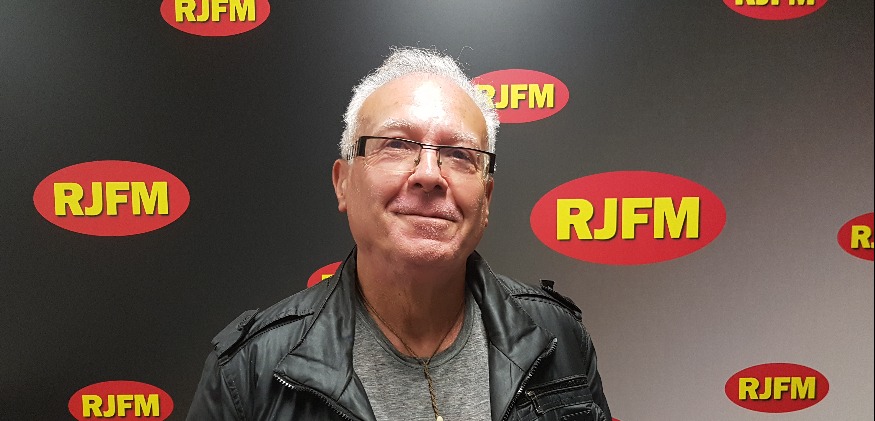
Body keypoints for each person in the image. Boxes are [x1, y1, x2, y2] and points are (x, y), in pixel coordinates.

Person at [188, 47, 611, 421]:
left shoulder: (560, 337)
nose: (429, 175)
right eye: (397, 145)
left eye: (459, 154)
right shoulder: (249, 374)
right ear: (342, 182)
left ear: (486, 198)